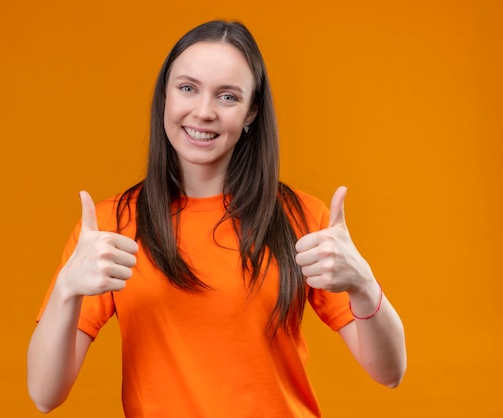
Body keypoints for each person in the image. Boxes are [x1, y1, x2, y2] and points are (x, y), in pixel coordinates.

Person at [27, 20, 406, 417]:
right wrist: (66, 290)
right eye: (187, 88)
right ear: (165, 97)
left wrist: (362, 281)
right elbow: (44, 395)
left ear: (251, 112)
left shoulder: (301, 218)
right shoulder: (110, 227)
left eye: (227, 96)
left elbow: (390, 371)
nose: (203, 112)